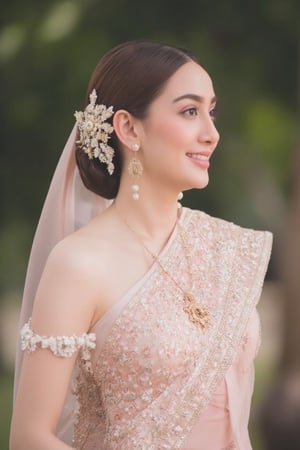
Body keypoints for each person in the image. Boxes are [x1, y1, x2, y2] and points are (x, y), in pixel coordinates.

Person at [10, 40, 272, 450]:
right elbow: (29, 437)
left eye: (211, 111)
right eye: (190, 111)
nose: (212, 134)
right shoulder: (80, 263)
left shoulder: (223, 246)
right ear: (129, 129)